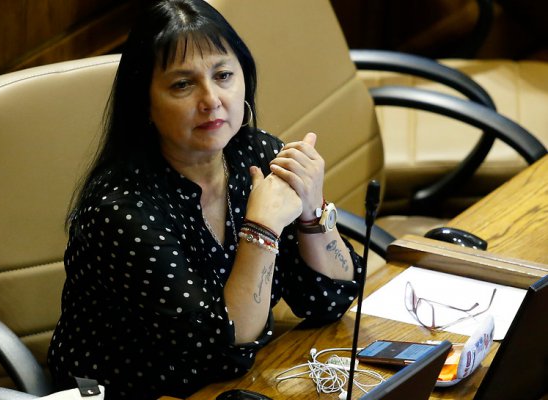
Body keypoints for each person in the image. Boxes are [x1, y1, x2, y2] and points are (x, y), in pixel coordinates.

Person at [47, 0, 364, 398]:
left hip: (237, 385)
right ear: (144, 102)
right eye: (183, 84)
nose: (211, 99)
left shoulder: (257, 156)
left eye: (223, 75)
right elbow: (220, 352)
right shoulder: (122, 210)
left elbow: (328, 300)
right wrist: (261, 230)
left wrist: (313, 211)